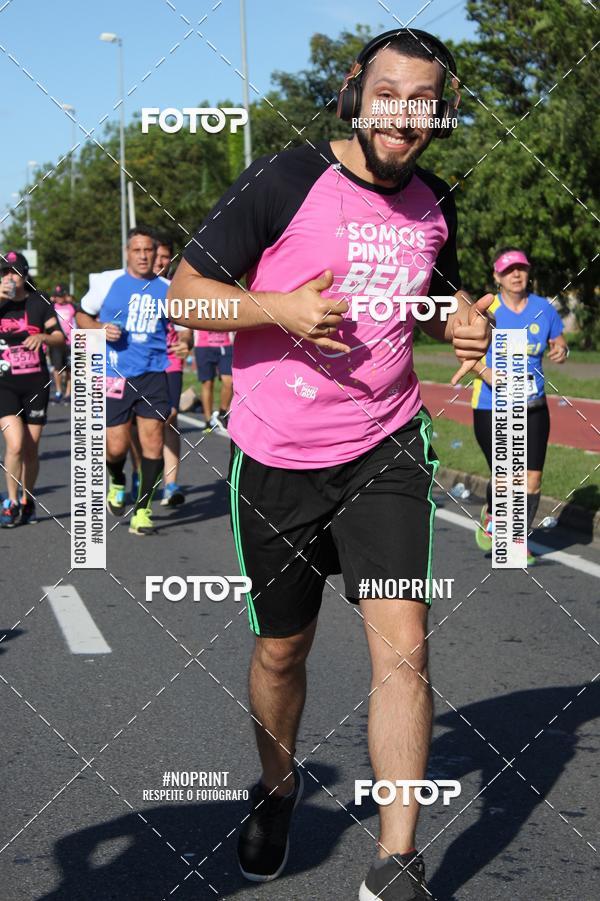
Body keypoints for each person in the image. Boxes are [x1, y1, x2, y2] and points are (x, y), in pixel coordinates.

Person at [169, 28, 493, 900]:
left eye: (425, 102)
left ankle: (397, 860)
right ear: (355, 91)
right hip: (277, 455)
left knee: (405, 653)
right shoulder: (285, 176)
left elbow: (435, 296)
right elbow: (186, 293)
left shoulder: (433, 200)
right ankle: (276, 788)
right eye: (391, 94)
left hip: (387, 444)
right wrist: (276, 304)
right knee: (282, 650)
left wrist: (463, 320)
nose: (407, 116)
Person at [472, 247, 568, 564]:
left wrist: (561, 350)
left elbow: (558, 341)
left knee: (532, 478)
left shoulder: (544, 308)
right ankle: (500, 525)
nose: (516, 275)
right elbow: (466, 355)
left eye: (521, 269)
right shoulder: (487, 310)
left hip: (534, 405)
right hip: (492, 405)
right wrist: (487, 373)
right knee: (508, 475)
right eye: (508, 270)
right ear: (496, 276)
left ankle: (516, 538)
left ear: (528, 273)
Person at [76, 227, 171, 536]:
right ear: (128, 253)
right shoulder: (107, 284)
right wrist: (99, 328)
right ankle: (116, 478)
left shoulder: (168, 289)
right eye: (137, 250)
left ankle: (142, 511)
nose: (143, 256)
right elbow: (81, 316)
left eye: (148, 251)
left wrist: (185, 344)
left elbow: (185, 327)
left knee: (153, 442)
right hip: (115, 374)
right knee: (115, 446)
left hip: (154, 374)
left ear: (155, 254)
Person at [0, 251, 65, 526]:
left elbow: (60, 336)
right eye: (4, 272)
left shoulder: (39, 302)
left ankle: (28, 498)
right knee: (15, 445)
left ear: (25, 275)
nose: (9, 277)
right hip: (4, 384)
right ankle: (11, 502)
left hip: (35, 383)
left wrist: (43, 337)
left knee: (31, 448)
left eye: (14, 271)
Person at [154, 234, 192, 506]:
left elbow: (185, 329)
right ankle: (138, 473)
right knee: (139, 426)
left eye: (166, 257)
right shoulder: (131, 288)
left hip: (170, 362)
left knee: (170, 416)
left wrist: (185, 344)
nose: (161, 262)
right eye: (157, 256)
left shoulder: (175, 290)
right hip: (139, 365)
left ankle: (171, 484)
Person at [193, 327, 233, 434]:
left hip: (225, 344)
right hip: (203, 345)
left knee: (229, 381)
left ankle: (222, 413)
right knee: (207, 383)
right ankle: (208, 421)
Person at [48, 283, 76, 402]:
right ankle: (59, 391)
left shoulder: (72, 307)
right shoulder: (51, 307)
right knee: (57, 368)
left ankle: (68, 393)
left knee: (70, 368)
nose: (58, 298)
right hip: (57, 342)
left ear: (65, 295)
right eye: (56, 296)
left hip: (71, 342)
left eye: (61, 295)